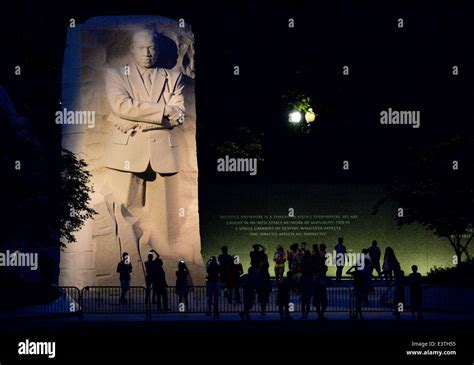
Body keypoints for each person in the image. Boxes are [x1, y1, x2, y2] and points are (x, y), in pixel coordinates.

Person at [104, 28, 186, 258]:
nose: (147, 53)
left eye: (151, 48)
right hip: (126, 153)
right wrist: (163, 111)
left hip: (165, 155)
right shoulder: (116, 73)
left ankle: (166, 258)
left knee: (166, 222)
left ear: (157, 49)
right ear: (132, 49)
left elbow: (179, 115)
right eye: (141, 48)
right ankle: (127, 263)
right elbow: (121, 105)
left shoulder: (174, 77)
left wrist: (133, 120)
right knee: (124, 216)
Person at [300, 250, 314, 320]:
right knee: (308, 301)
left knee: (303, 302)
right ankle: (306, 315)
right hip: (309, 282)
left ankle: (303, 315)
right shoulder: (311, 262)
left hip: (304, 282)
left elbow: (301, 269)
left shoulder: (303, 261)